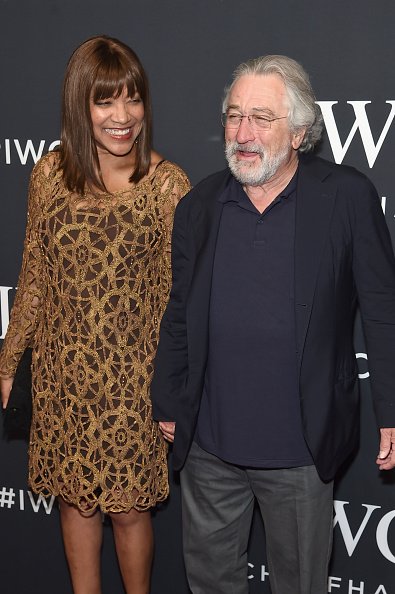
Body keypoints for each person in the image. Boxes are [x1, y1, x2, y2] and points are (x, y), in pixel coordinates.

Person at [151, 55, 395, 594]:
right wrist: (167, 400)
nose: (243, 133)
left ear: (301, 131)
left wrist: (391, 414)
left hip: (300, 453)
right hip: (209, 450)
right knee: (210, 583)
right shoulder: (199, 206)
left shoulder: (347, 198)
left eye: (262, 119)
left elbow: (383, 309)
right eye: (234, 116)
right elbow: (179, 312)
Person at [0, 35, 190, 594]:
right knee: (75, 504)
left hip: (135, 384)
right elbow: (34, 274)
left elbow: (181, 301)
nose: (122, 116)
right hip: (62, 376)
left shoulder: (167, 187)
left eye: (133, 99)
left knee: (130, 512)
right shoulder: (49, 175)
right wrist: (10, 359)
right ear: (80, 104)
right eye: (106, 101)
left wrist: (174, 386)